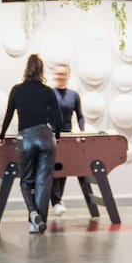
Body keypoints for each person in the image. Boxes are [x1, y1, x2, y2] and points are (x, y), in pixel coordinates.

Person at [0, 54, 63, 233]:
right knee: (43, 182)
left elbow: (9, 114)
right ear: (41, 70)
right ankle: (37, 223)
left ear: (26, 68)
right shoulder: (48, 91)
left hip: (24, 138)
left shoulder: (16, 90)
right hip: (46, 137)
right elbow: (58, 118)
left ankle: (33, 213)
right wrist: (56, 136)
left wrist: (1, 136)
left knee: (26, 180)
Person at [48, 63, 84, 216]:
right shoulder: (48, 93)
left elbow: (80, 116)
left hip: (66, 136)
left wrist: (82, 131)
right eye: (57, 74)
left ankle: (57, 200)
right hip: (49, 135)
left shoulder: (74, 95)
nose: (60, 77)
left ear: (68, 76)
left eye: (63, 74)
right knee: (49, 168)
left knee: (63, 168)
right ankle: (56, 201)